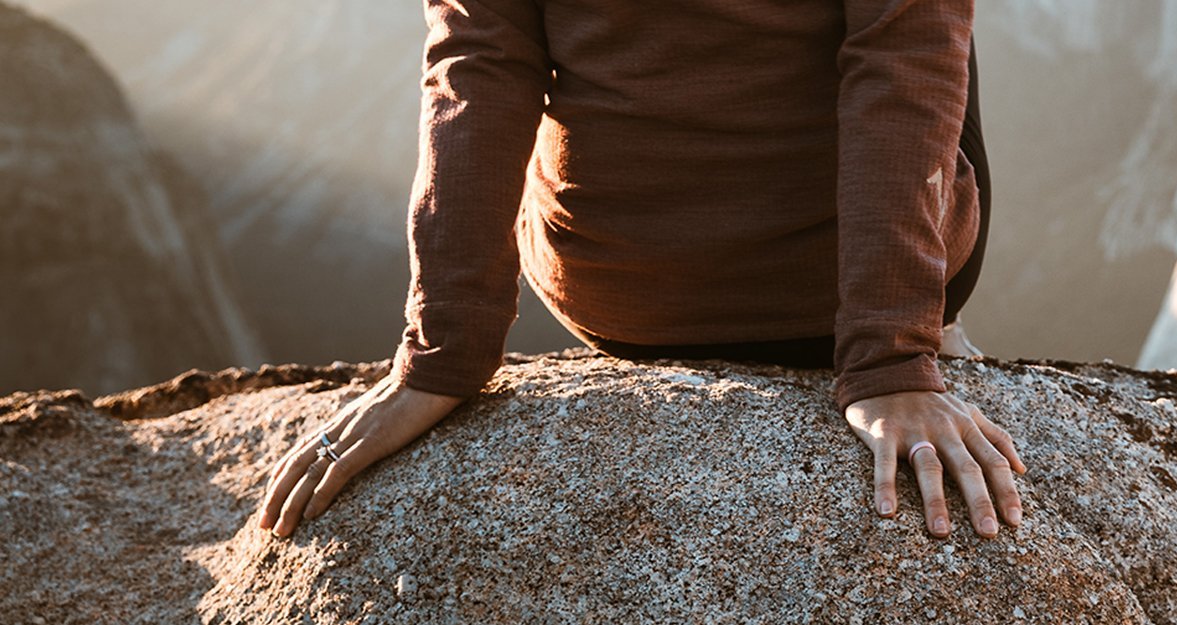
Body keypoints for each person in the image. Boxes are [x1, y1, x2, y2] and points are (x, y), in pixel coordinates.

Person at [255, 0, 1025, 541]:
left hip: (620, 294)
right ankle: (935, 320)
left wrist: (439, 356)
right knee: (918, 32)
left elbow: (478, 68)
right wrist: (891, 362)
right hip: (814, 291)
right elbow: (904, 77)